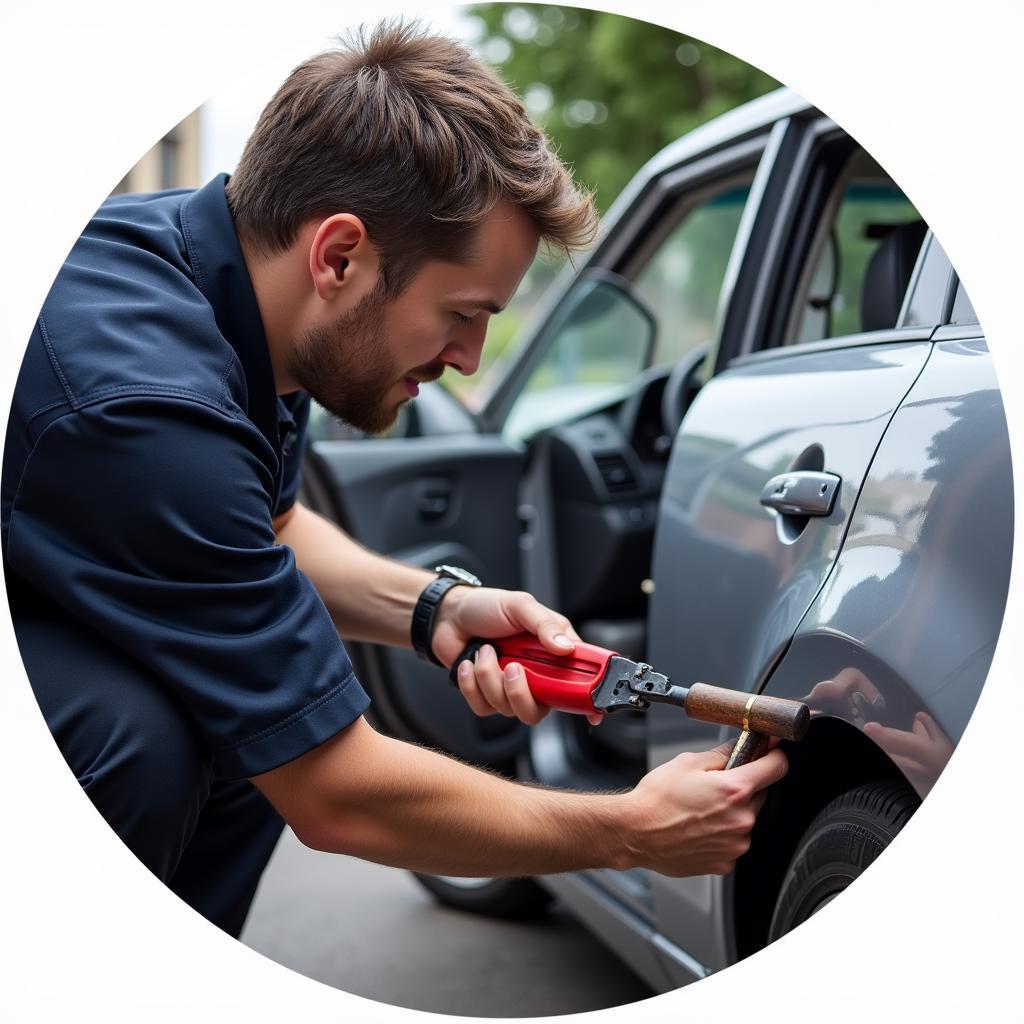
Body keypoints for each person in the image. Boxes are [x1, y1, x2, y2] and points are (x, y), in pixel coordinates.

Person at [1, 21, 787, 938]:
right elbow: (336, 794)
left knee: (249, 713)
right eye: (461, 313)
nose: (468, 357)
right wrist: (629, 830)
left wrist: (438, 610)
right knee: (151, 740)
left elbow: (270, 529)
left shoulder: (246, 299)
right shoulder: (146, 407)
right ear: (338, 255)